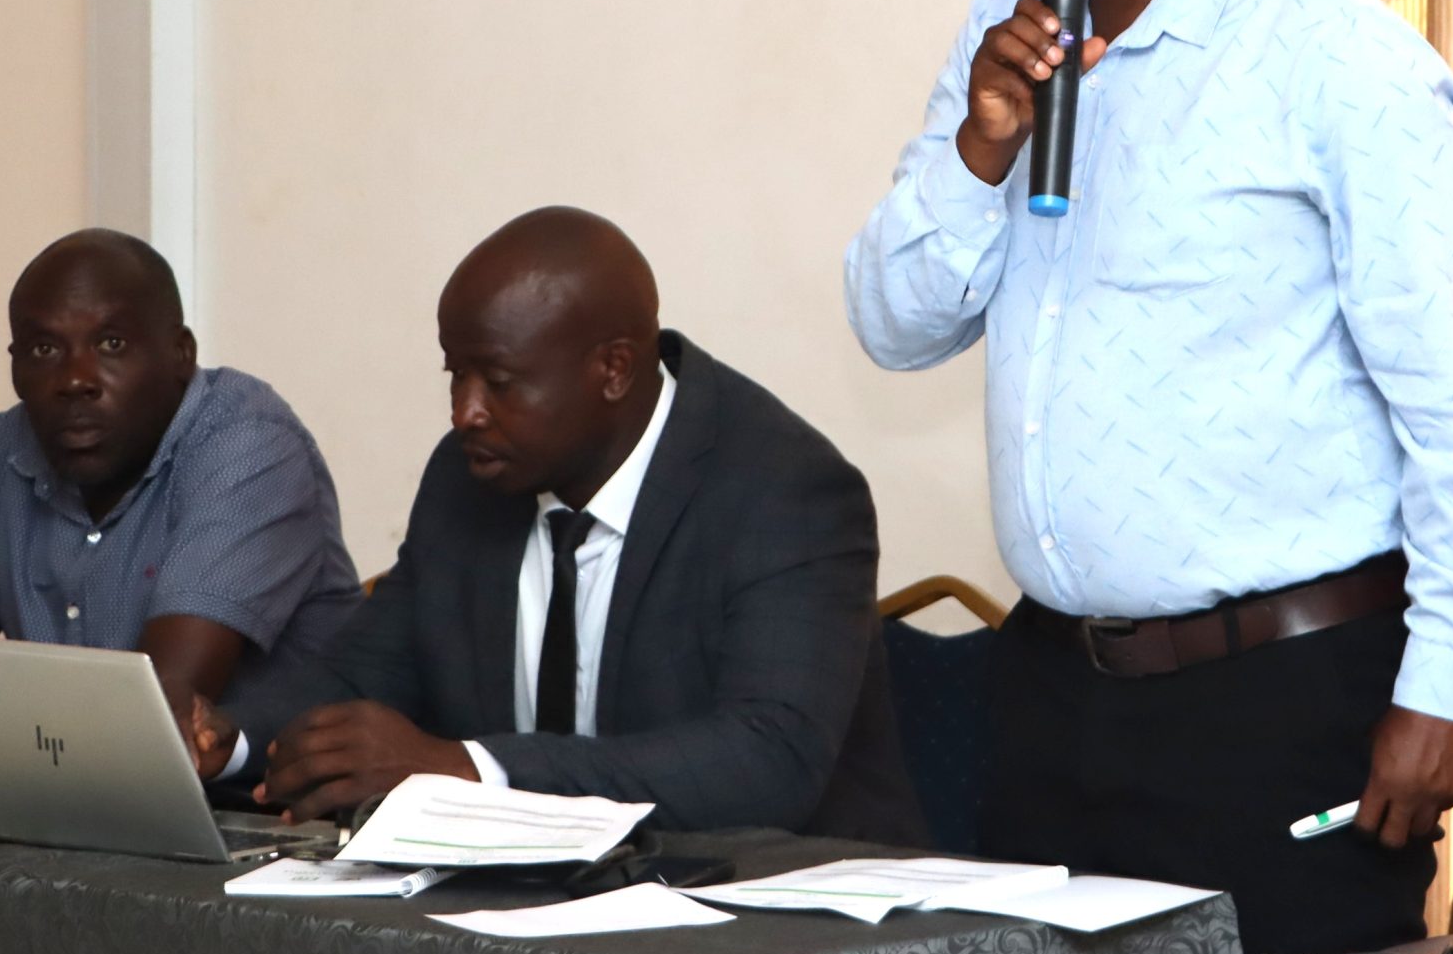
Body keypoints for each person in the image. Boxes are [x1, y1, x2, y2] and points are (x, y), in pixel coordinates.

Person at [845, 0, 1453, 954]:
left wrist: (1445, 684)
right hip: (1054, 690)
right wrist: (979, 147)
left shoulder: (1339, 57)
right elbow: (894, 322)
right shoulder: (1005, 39)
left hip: (1284, 700)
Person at [206, 207, 920, 842]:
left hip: (779, 918)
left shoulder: (784, 490)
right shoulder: (468, 478)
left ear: (612, 370)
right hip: (536, 912)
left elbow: (768, 757)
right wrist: (227, 735)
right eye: (455, 375)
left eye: (499, 382)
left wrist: (472, 769)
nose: (465, 412)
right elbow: (363, 672)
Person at [0, 229, 359, 755]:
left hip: (258, 811)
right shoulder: (4, 450)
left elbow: (154, 716)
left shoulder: (248, 445)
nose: (75, 380)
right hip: (52, 793)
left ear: (181, 354)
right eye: (45, 350)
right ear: (15, 367)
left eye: (111, 344)